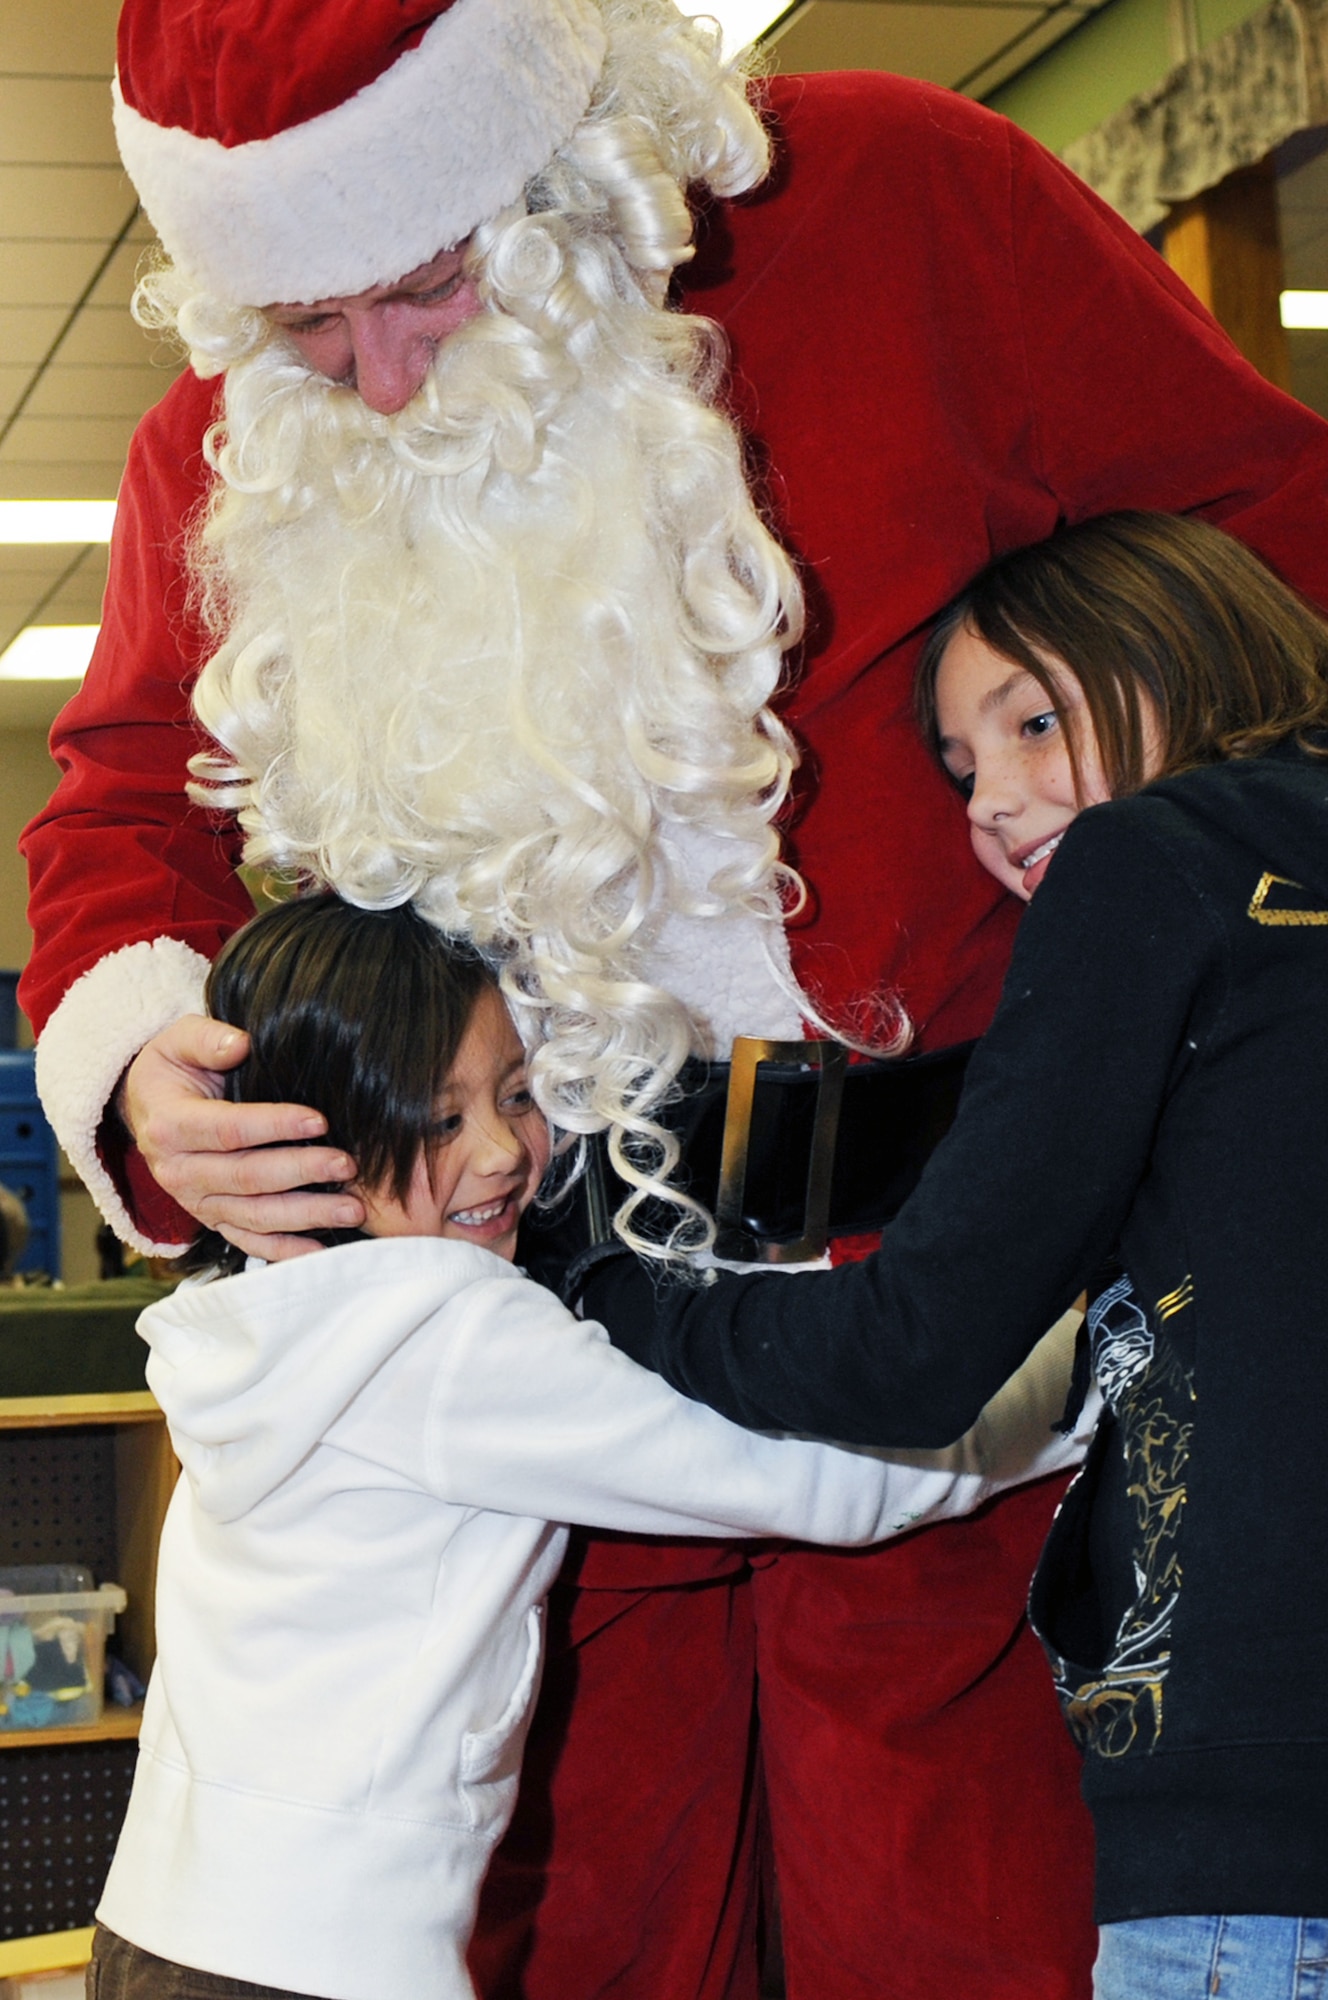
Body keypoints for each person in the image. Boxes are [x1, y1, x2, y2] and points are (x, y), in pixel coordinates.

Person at [21, 1, 1328, 1991]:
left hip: (968, 1278)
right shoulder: (231, 450)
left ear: (552, 166)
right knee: (578, 1933)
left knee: (968, 1936)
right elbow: (124, 802)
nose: (370, 379)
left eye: (430, 285)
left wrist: (1142, 882)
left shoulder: (901, 200)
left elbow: (1271, 551)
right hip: (530, 1316)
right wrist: (140, 1072)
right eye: (304, 326)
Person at [90, 890, 1090, 2000]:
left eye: (516, 1094)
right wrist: (1082, 1370)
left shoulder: (254, 1322)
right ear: (306, 1137)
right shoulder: (443, 1327)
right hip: (334, 1964)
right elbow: (812, 1476)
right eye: (433, 1119)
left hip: (157, 1928)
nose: (497, 1151)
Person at [583, 511, 1328, 1999]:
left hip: (1260, 1824)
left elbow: (909, 1355)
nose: (994, 803)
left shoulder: (1152, 860)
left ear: (1179, 647)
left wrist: (617, 1286)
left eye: (1035, 718)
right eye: (964, 768)